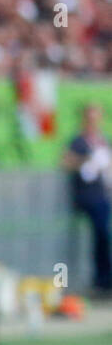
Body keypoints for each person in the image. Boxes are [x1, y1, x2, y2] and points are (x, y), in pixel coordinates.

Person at [62, 103, 112, 295]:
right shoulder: (78, 142)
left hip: (103, 194)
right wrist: (87, 161)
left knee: (103, 233)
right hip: (88, 197)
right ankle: (103, 277)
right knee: (100, 231)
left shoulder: (103, 141)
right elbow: (66, 162)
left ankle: (105, 276)